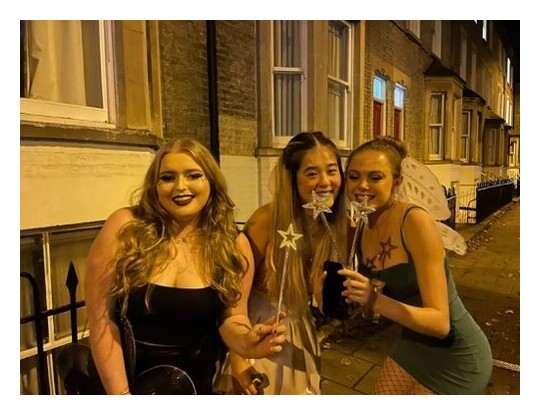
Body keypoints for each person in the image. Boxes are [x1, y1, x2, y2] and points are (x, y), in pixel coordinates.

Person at [85, 137, 286, 395]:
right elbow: (101, 319)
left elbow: (232, 317)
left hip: (194, 386)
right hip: (122, 383)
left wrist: (247, 343)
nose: (180, 187)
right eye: (167, 177)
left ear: (210, 181)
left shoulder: (232, 245)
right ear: (154, 185)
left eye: (193, 175)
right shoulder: (125, 228)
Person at [339, 137, 493, 394]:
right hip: (413, 341)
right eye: (354, 176)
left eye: (375, 177)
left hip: (457, 353)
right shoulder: (362, 229)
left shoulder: (414, 221)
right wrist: (357, 299)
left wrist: (374, 299)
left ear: (396, 181)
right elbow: (373, 307)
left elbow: (440, 324)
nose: (362, 186)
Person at [216, 131, 350, 394]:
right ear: (293, 178)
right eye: (312, 173)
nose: (325, 182)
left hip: (300, 332)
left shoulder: (335, 228)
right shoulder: (266, 221)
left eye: (332, 171)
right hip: (257, 330)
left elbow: (324, 304)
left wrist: (329, 300)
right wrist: (239, 356)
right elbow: (232, 299)